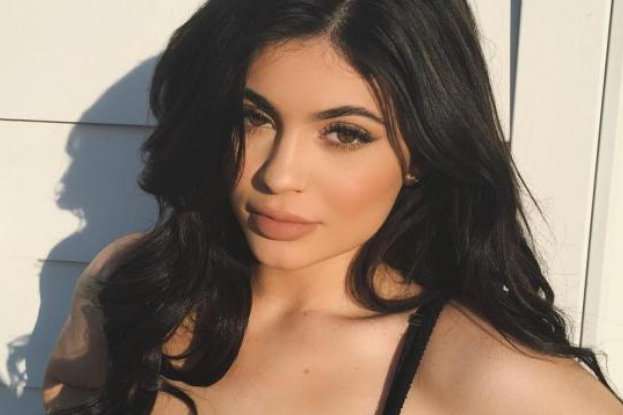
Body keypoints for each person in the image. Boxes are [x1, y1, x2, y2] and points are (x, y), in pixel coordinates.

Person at [42, 0, 623, 414]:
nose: (279, 175)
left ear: (422, 153)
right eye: (253, 117)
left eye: (345, 133)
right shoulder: (136, 283)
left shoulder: (484, 371)